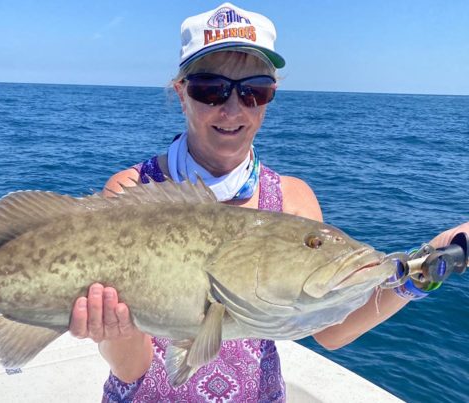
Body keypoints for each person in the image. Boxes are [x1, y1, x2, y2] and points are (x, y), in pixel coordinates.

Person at [68, 3, 469, 402]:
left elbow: (330, 331)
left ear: (270, 97)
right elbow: (131, 367)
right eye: (210, 88)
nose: (231, 108)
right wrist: (112, 330)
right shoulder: (133, 191)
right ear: (181, 93)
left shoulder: (292, 200)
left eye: (253, 91)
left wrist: (425, 269)